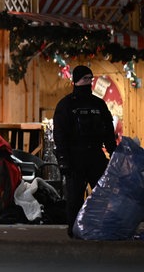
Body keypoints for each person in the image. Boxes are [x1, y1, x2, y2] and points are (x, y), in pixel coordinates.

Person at [53, 65, 117, 238]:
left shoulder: (98, 104)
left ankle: (98, 227)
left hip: (95, 155)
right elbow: (60, 135)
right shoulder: (66, 105)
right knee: (74, 197)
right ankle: (74, 230)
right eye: (85, 79)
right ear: (76, 81)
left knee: (102, 194)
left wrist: (113, 153)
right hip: (75, 157)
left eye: (91, 78)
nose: (89, 82)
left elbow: (108, 131)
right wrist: (63, 160)